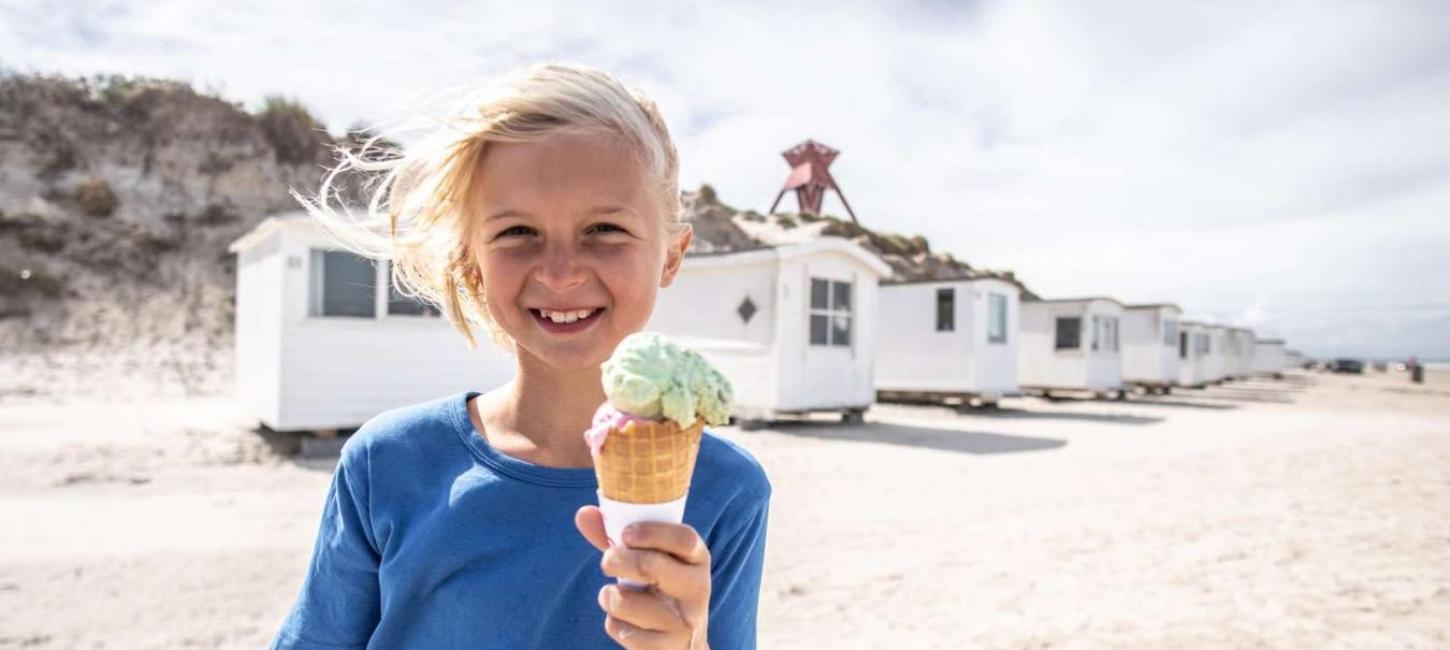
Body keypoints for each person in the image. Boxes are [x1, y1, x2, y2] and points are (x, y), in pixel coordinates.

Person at [269, 63, 771, 649]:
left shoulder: (727, 488)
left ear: (671, 255)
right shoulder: (388, 462)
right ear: (470, 261)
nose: (559, 272)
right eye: (517, 233)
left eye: (605, 228)